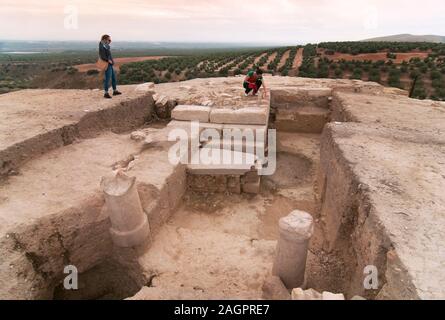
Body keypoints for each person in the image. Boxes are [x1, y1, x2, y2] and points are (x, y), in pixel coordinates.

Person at [99, 34, 122, 99]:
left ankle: (114, 91)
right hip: (107, 64)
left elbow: (108, 53)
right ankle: (106, 93)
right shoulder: (102, 46)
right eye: (109, 39)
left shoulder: (105, 45)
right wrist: (108, 60)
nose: (110, 40)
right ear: (104, 39)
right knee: (107, 79)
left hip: (110, 64)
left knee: (113, 77)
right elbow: (102, 56)